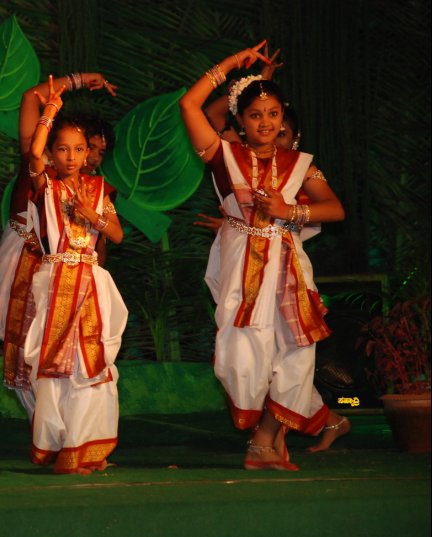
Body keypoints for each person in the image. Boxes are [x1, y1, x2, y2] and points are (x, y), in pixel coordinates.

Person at [179, 41, 345, 471]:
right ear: (240, 119)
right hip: (240, 267)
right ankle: (265, 440)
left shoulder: (300, 163)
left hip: (287, 270)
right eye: (255, 115)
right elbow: (190, 105)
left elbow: (334, 208)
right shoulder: (223, 156)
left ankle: (265, 441)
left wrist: (291, 211)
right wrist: (234, 64)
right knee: (243, 360)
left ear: (283, 116)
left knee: (294, 355)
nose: (266, 122)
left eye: (273, 114)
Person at [0, 72, 116, 420]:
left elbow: (102, 239)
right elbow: (30, 97)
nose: (91, 157)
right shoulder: (40, 161)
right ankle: (42, 419)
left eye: (98, 152)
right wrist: (80, 79)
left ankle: (70, 419)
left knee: (73, 338)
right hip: (23, 251)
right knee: (27, 337)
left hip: (74, 267)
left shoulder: (93, 187)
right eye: (86, 147)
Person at [21, 75, 127, 474]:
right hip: (56, 281)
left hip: (92, 283)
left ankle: (86, 446)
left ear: (87, 155)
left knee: (90, 363)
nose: (71, 157)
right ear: (52, 154)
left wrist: (90, 215)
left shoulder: (98, 189)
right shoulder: (45, 185)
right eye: (62, 149)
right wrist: (50, 111)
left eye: (79, 150)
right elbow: (33, 153)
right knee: (57, 365)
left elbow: (116, 234)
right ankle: (61, 444)